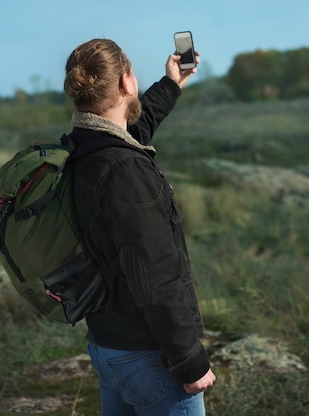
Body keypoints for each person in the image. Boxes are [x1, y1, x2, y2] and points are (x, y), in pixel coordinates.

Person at [63, 38, 216, 415]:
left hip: (107, 345)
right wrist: (190, 360)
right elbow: (155, 272)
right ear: (125, 83)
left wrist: (171, 84)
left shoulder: (83, 150)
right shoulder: (125, 171)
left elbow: (134, 132)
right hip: (148, 356)